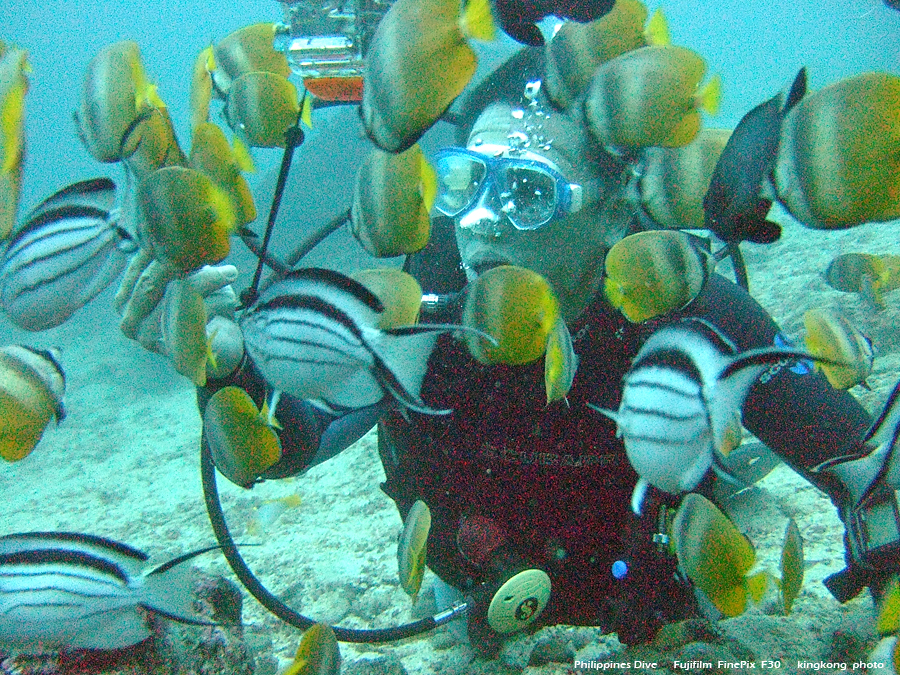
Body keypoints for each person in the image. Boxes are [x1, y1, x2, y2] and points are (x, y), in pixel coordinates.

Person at [184, 52, 885, 653]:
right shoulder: (424, 301)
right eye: (466, 183)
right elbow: (295, 439)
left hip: (653, 595)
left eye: (528, 190)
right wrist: (232, 375)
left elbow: (863, 465)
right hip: (478, 592)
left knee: (740, 466)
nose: (483, 219)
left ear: (614, 210)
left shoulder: (674, 301)